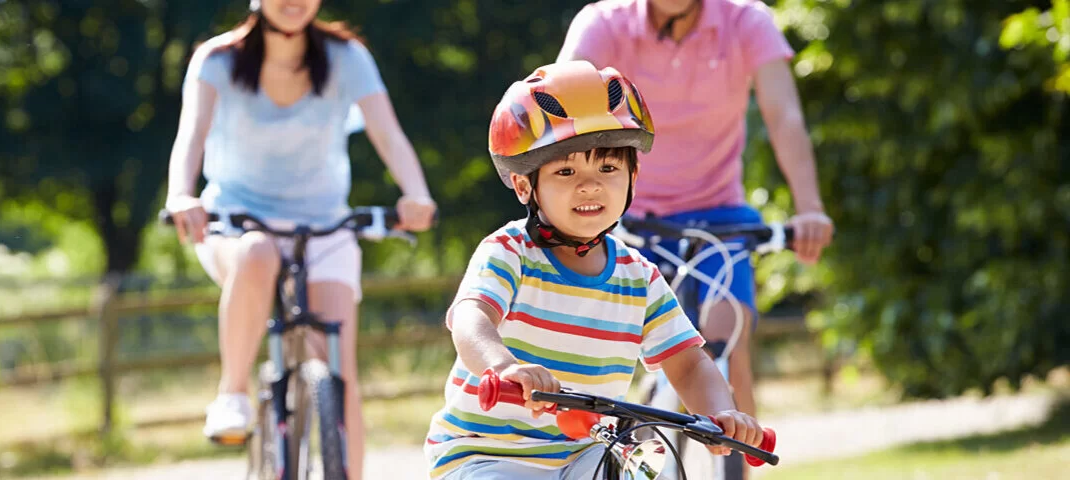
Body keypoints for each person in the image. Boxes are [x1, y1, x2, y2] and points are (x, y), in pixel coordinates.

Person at [423, 60, 764, 479]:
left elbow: (688, 362)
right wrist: (504, 366)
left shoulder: (639, 276)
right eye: (566, 171)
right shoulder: (509, 252)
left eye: (608, 168)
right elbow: (471, 320)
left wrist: (720, 412)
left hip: (583, 456)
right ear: (525, 185)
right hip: (486, 456)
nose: (590, 185)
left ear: (633, 176)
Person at [163, 0, 436, 477]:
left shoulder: (347, 57)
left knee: (337, 369)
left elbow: (388, 135)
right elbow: (191, 134)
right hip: (238, 223)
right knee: (257, 252)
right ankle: (232, 393)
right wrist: (182, 195)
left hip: (322, 227)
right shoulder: (217, 59)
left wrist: (416, 194)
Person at [556, 0, 835, 453]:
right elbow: (555, 113)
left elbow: (784, 117)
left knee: (726, 342)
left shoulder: (746, 21)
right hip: (627, 219)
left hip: (719, 216)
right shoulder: (604, 24)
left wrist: (809, 207)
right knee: (607, 349)